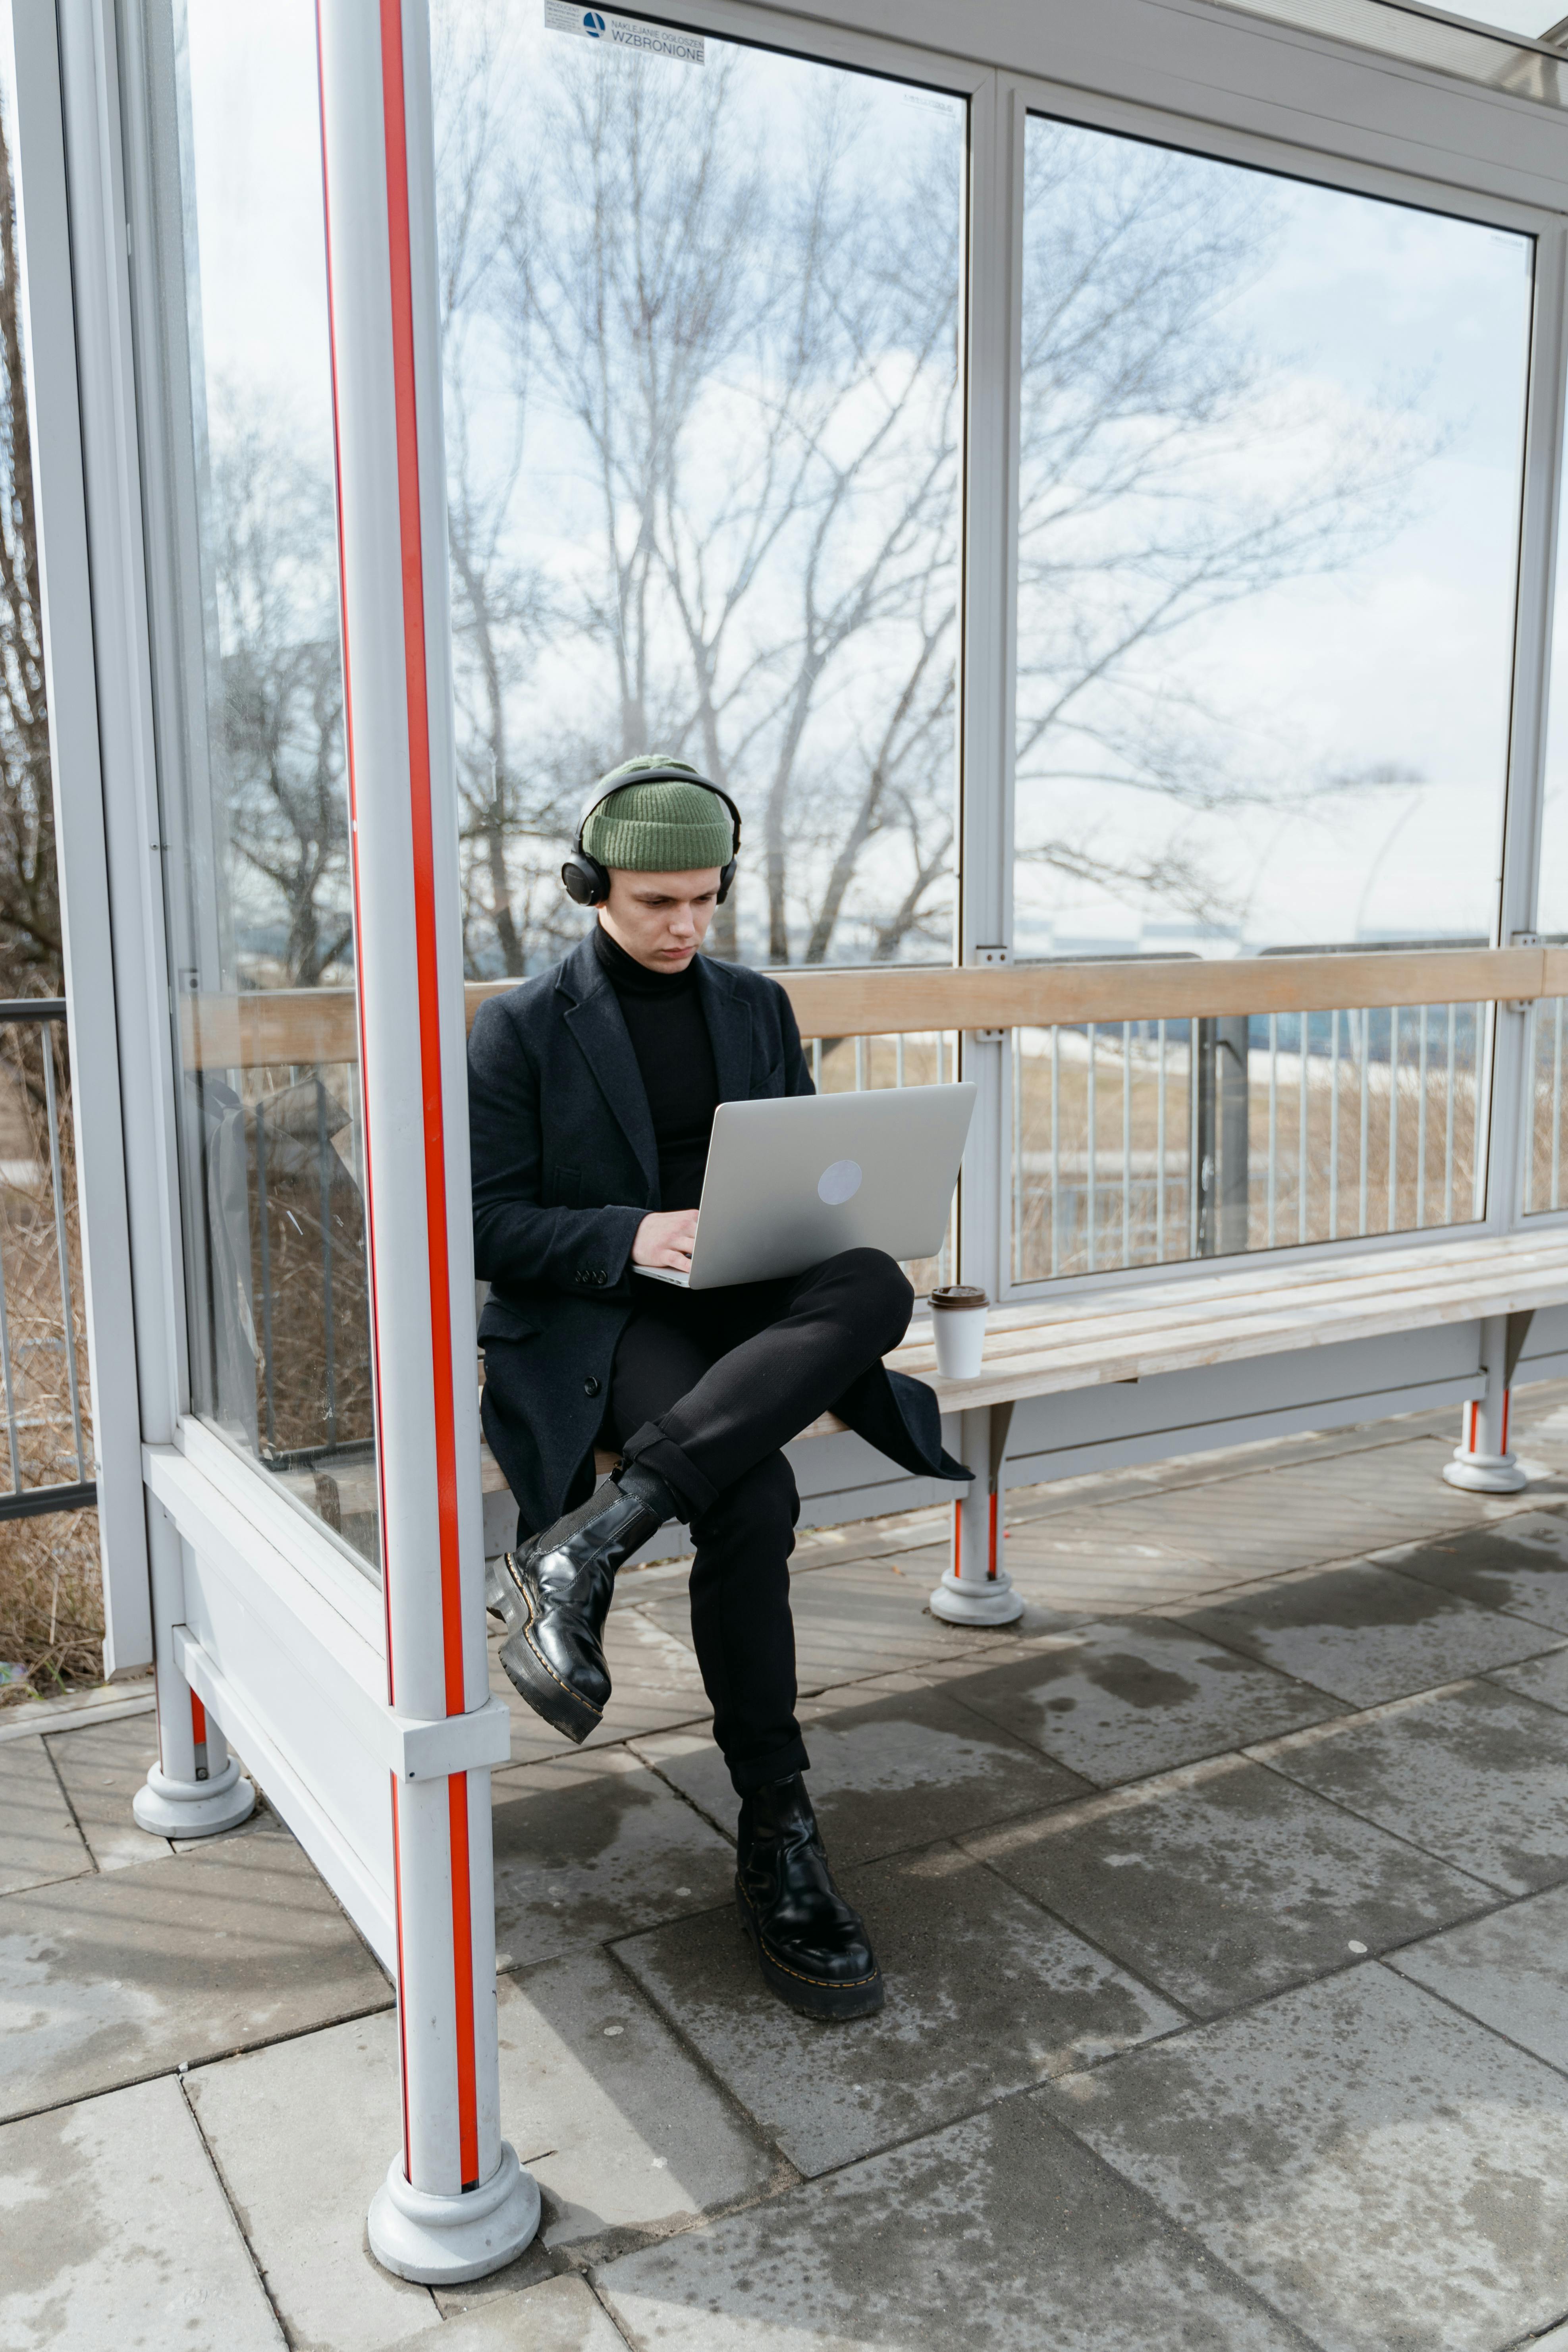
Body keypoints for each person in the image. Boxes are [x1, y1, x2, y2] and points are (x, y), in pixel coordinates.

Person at [467, 755, 968, 2020]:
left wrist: (785, 1228)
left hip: (740, 1289)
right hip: (608, 1309)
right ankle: (778, 1818)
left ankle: (594, 1541)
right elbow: (490, 1227)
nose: (685, 926)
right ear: (592, 888)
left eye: (704, 900)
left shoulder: (755, 1004)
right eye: (655, 904)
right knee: (751, 1495)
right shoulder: (522, 1027)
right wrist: (636, 1233)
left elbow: (799, 1162)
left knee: (873, 1283)